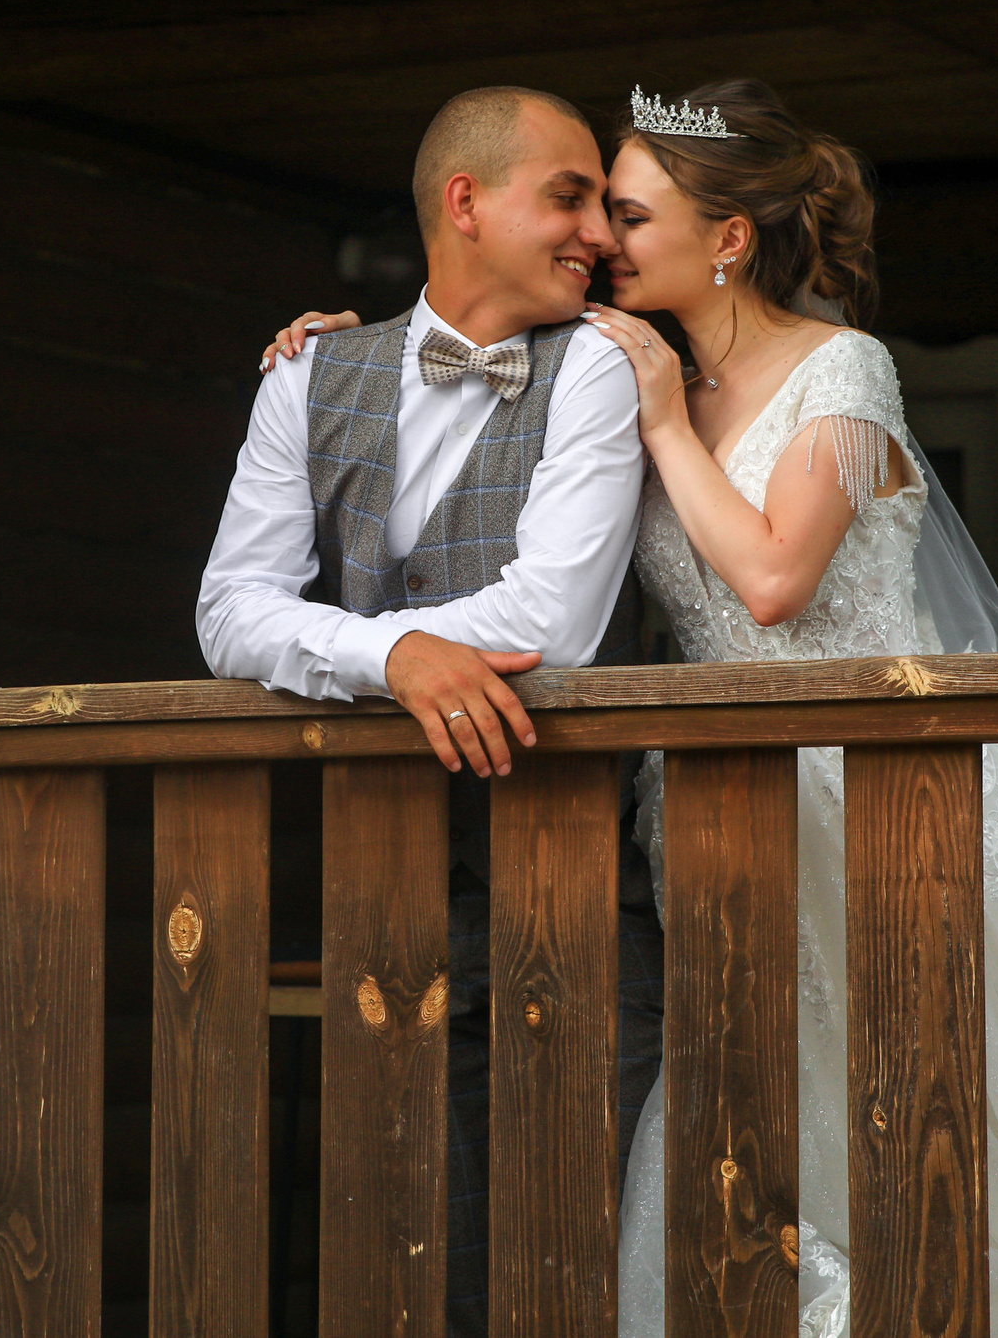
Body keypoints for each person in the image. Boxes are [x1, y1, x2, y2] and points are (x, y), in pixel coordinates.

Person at [262, 79, 998, 1337]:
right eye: (591, 213)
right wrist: (341, 356)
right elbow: (465, 383)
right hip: (721, 832)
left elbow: (772, 580)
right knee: (778, 1145)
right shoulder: (626, 377)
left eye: (627, 216)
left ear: (727, 238)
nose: (599, 242)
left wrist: (663, 425)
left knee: (997, 1123)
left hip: (894, 818)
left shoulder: (840, 370)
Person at [198, 84, 663, 1335]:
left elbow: (549, 622)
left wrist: (354, 645)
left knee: (580, 1264)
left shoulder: (601, 369)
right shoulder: (308, 374)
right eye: (568, 197)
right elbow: (228, 610)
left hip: (575, 887)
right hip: (379, 891)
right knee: (413, 1274)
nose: (602, 238)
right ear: (465, 202)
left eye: (608, 210)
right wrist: (392, 662)